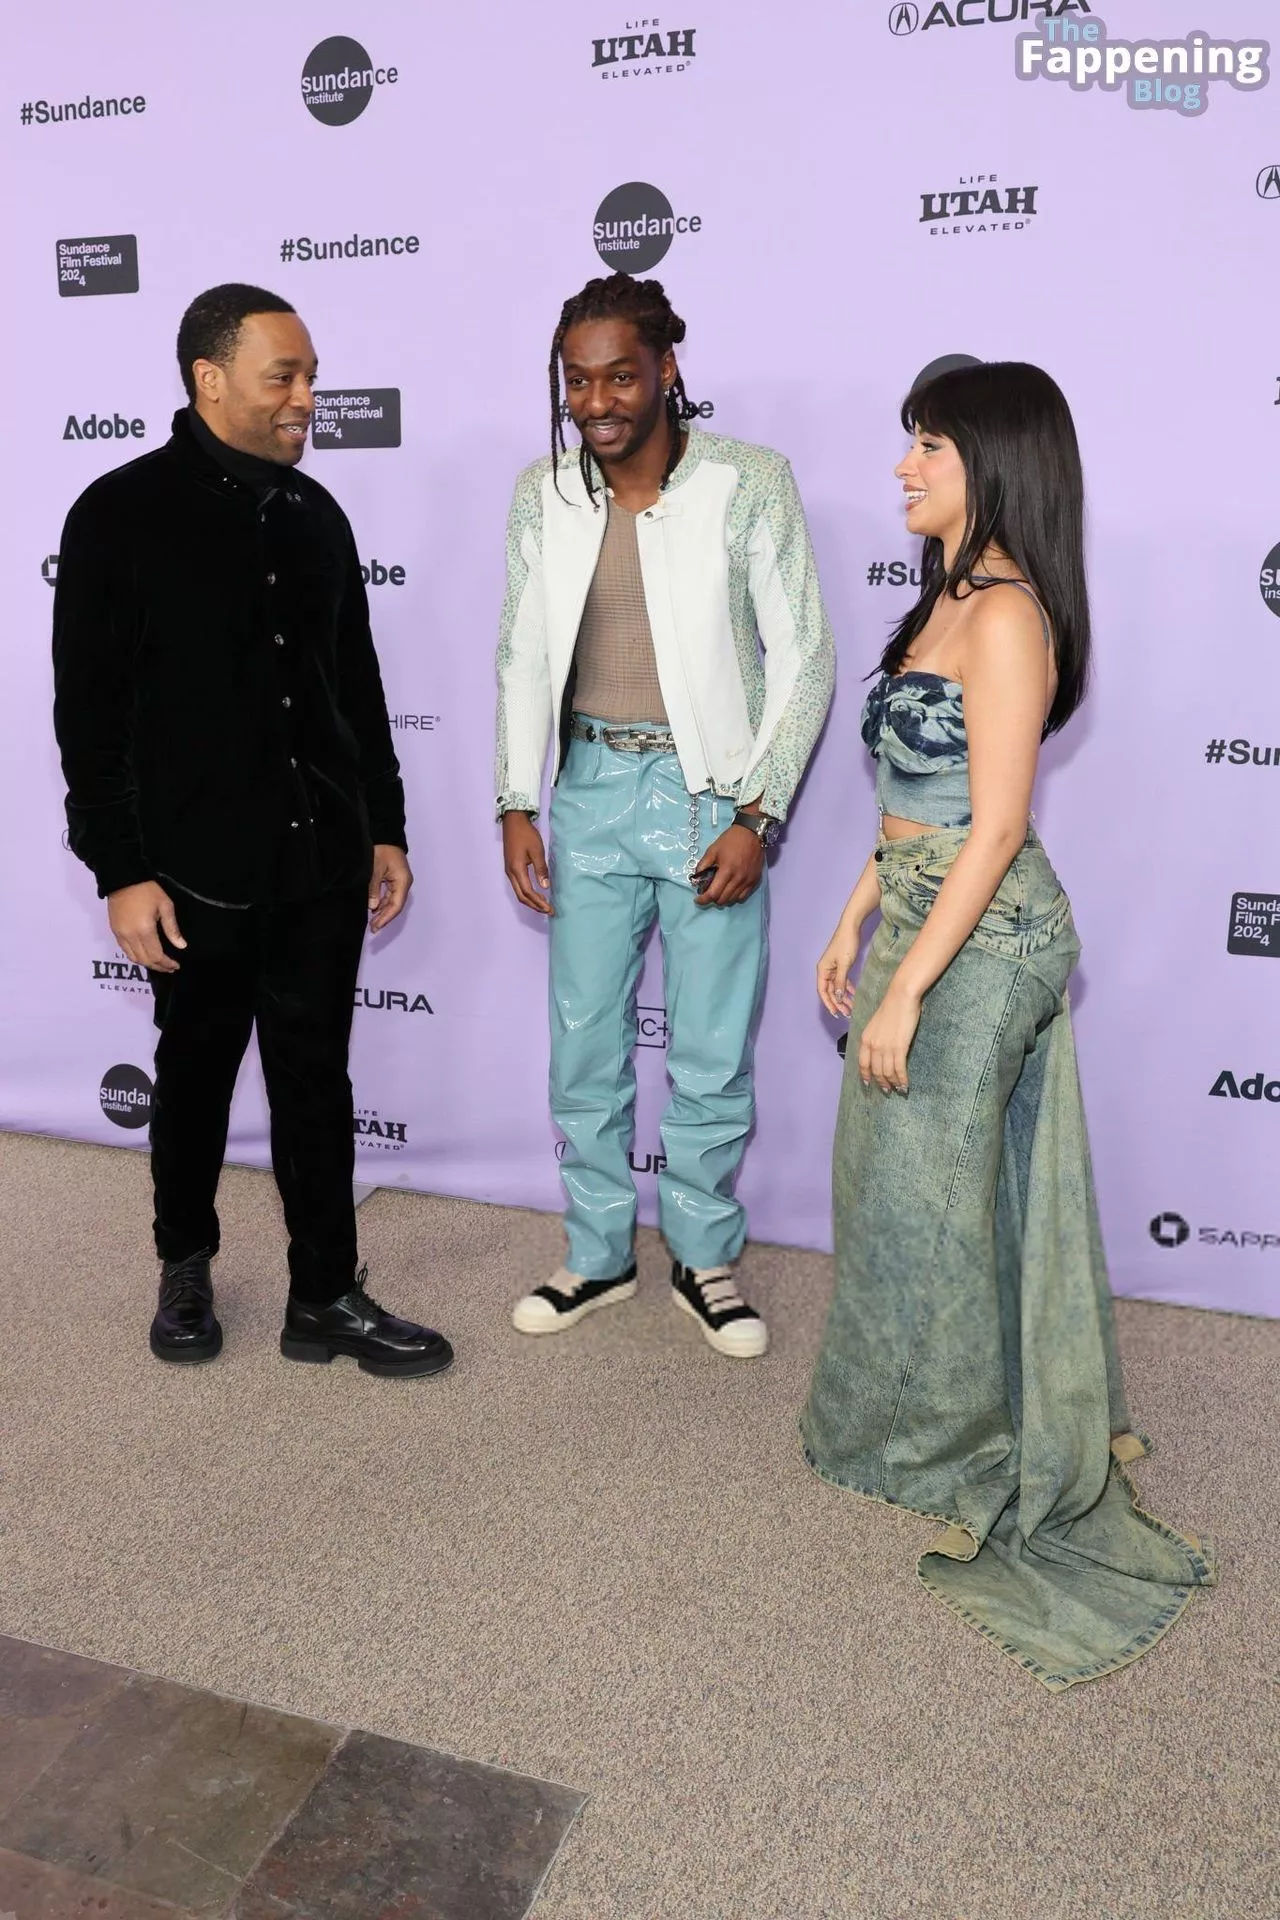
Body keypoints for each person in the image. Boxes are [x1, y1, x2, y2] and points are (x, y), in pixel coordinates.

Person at [801, 361, 1215, 1688]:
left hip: (991, 934)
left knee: (927, 1192)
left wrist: (909, 987)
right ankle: (907, 1420)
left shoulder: (1009, 616)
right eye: (909, 443)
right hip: (922, 908)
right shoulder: (943, 596)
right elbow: (907, 802)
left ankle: (948, 1445)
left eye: (930, 445)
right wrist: (854, 917)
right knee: (900, 1184)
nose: (903, 466)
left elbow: (993, 829)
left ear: (995, 463)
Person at [52, 283, 453, 1379]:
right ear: (210, 379)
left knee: (317, 1082)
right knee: (192, 1080)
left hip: (321, 859)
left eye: (312, 375)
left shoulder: (317, 514)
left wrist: (384, 827)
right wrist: (122, 871)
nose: (307, 397)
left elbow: (355, 688)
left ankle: (325, 1294)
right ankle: (185, 1264)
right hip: (192, 874)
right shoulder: (117, 514)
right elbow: (88, 717)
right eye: (285, 376)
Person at [495, 273, 834, 1356]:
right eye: (577, 380)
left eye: (619, 377)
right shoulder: (543, 493)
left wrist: (757, 813)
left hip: (711, 799)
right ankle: (596, 1256)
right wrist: (515, 798)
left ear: (666, 371)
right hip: (589, 788)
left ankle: (703, 1258)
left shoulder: (748, 481)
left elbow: (806, 656)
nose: (596, 402)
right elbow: (520, 654)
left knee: (710, 1048)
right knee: (583, 1045)